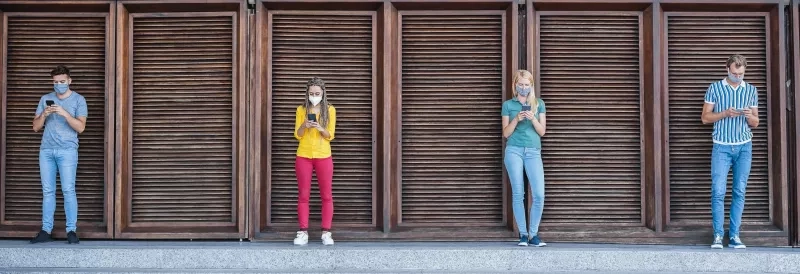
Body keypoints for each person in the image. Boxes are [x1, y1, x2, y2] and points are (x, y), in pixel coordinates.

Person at [701, 54, 759, 249]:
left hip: (744, 146)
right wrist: (725, 113)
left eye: (741, 74)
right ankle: (718, 235)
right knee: (718, 191)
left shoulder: (751, 90)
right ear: (727, 69)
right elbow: (705, 118)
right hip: (721, 147)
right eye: (734, 73)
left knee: (739, 191)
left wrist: (751, 116)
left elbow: (756, 123)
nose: (738, 77)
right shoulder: (715, 88)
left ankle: (734, 236)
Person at [30, 65, 87, 244]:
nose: (59, 85)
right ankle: (46, 230)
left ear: (69, 81)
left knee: (68, 190)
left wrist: (64, 113)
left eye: (62, 82)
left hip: (67, 151)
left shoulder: (79, 100)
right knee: (48, 191)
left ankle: (71, 231)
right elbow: (35, 127)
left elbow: (81, 127)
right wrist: (44, 115)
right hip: (46, 151)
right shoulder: (45, 98)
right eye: (56, 82)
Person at [501, 69, 547, 247]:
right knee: (518, 193)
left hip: (533, 151)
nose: (523, 87)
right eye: (520, 84)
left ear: (531, 86)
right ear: (515, 85)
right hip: (514, 151)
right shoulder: (508, 105)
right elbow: (506, 133)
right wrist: (517, 119)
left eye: (527, 85)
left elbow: (542, 131)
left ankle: (534, 235)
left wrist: (532, 118)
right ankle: (523, 234)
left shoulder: (539, 104)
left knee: (539, 194)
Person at [292, 77, 337, 246]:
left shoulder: (330, 110)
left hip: (323, 156)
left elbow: (330, 135)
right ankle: (303, 232)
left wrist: (320, 128)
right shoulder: (301, 109)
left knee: (326, 195)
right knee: (303, 195)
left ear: (323, 93)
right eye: (311, 93)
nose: (314, 96)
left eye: (317, 93)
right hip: (303, 155)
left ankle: (326, 232)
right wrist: (305, 124)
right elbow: (298, 134)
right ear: (307, 93)